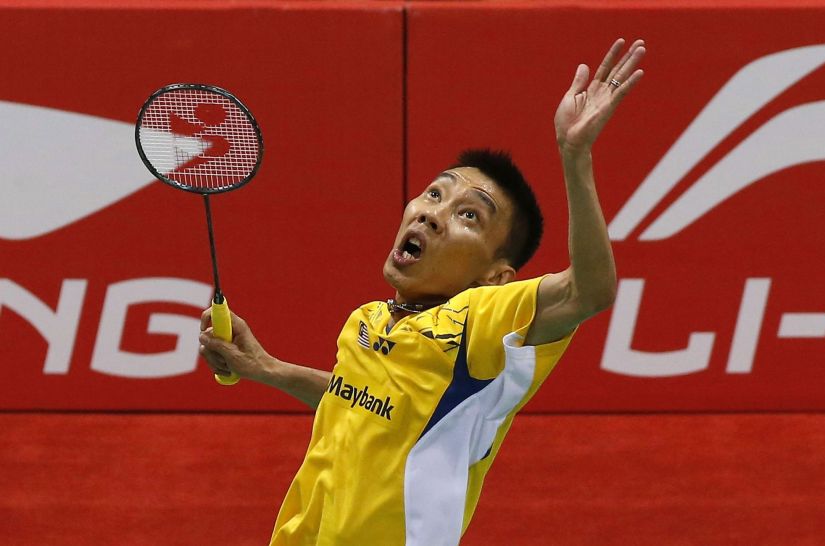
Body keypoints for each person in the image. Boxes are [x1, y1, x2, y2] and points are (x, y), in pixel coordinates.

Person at [198, 38, 646, 546]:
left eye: (468, 215)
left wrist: (575, 156)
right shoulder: (367, 320)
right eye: (436, 193)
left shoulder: (479, 325)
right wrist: (268, 369)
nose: (433, 213)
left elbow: (590, 292)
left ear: (495, 275)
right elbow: (360, 400)